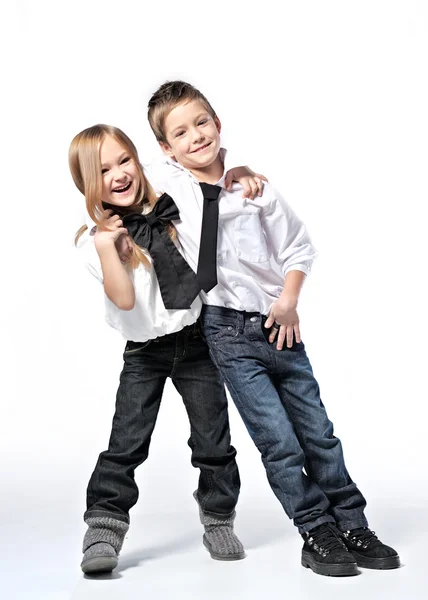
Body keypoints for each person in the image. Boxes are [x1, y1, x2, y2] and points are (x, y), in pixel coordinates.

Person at [146, 80, 401, 577]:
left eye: (202, 122)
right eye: (180, 132)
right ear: (166, 148)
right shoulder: (171, 186)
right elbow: (133, 176)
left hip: (279, 326)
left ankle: (353, 523)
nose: (195, 136)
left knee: (319, 434)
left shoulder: (253, 189)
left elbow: (299, 248)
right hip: (225, 332)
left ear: (218, 124)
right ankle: (316, 531)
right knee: (279, 441)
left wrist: (289, 301)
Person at [69, 124, 265, 573]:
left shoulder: (169, 197)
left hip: (198, 340)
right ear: (86, 183)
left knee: (213, 437)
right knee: (127, 441)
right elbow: (124, 300)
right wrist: (107, 247)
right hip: (144, 352)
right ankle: (105, 522)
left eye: (124, 161)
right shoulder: (91, 240)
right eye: (103, 170)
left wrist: (238, 169)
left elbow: (205, 170)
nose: (119, 174)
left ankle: (218, 515)